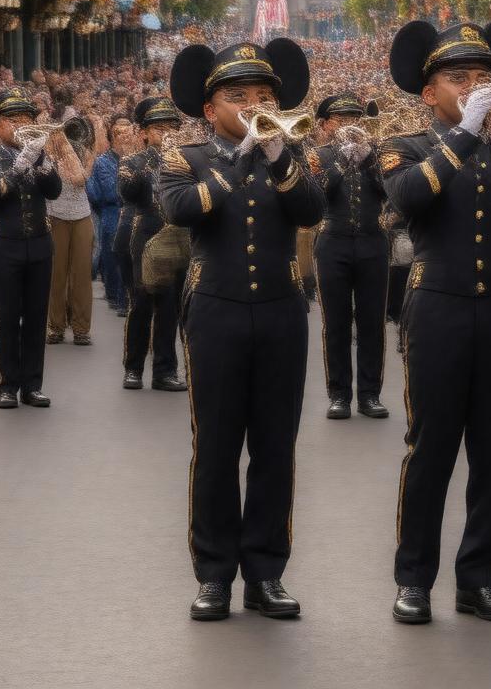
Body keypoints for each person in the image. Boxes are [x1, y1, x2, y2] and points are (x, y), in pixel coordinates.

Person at [380, 20, 491, 625]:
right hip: (439, 308)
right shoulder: (409, 145)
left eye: (483, 79)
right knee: (430, 448)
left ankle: (479, 579)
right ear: (430, 94)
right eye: (460, 80)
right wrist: (466, 134)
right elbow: (405, 200)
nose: (476, 89)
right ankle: (414, 578)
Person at [161, 39, 326, 622]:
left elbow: (311, 210)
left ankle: (266, 571)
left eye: (263, 97)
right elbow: (179, 209)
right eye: (239, 97)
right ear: (211, 110)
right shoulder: (187, 157)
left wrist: (279, 155)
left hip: (281, 313)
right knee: (215, 449)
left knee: (275, 449)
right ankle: (213, 574)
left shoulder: (291, 154)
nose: (254, 106)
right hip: (216, 312)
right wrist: (238, 161)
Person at [0, 89, 61, 408]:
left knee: (36, 318)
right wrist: (19, 166)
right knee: (6, 318)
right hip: (4, 246)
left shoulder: (40, 155)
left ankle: (33, 385)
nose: (22, 125)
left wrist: (42, 160)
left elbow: (54, 191)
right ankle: (7, 385)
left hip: (39, 243)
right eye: (13, 120)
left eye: (27, 119)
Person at [311, 94, 390, 420]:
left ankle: (370, 394)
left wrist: (370, 159)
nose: (349, 124)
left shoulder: (379, 153)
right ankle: (339, 395)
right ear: (327, 124)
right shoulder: (318, 155)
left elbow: (392, 192)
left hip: (373, 242)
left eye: (354, 118)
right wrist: (343, 162)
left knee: (373, 321)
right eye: (342, 118)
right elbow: (316, 196)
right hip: (333, 242)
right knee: (336, 323)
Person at [119, 98, 188, 393]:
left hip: (177, 239)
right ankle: (133, 368)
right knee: (141, 304)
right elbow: (128, 193)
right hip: (145, 239)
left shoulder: (186, 159)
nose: (167, 132)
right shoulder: (132, 161)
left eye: (172, 126)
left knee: (171, 307)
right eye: (159, 128)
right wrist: (150, 159)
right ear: (144, 132)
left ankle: (165, 370)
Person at [46, 119, 95, 346]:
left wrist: (68, 148)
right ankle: (55, 327)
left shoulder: (85, 152)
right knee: (56, 275)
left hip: (82, 216)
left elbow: (79, 179)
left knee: (82, 275)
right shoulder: (49, 155)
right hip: (56, 216)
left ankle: (81, 328)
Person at [86, 115, 134, 312]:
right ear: (111, 135)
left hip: (131, 214)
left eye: (127, 132)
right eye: (118, 133)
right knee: (114, 260)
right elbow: (105, 194)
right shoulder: (102, 162)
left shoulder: (138, 158)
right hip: (112, 216)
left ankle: (128, 298)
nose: (124, 137)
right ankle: (117, 297)